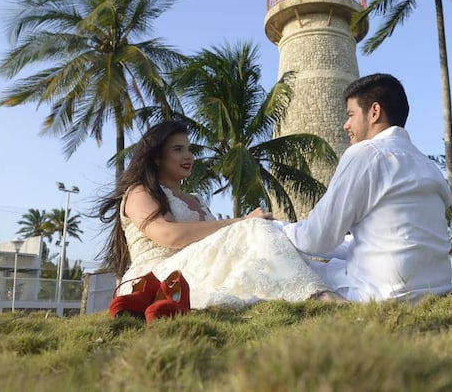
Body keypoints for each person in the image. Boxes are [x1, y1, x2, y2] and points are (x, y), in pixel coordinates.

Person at [97, 120, 336, 310]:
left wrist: (244, 225)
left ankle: (322, 284)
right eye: (178, 150)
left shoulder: (197, 200)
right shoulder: (140, 192)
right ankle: (317, 295)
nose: (188, 156)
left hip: (201, 263)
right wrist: (241, 222)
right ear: (157, 157)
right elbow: (169, 235)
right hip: (158, 275)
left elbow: (218, 239)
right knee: (252, 227)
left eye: (189, 149)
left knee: (266, 229)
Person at [282, 73, 452, 303]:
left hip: (379, 294)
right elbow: (387, 239)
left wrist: (279, 231)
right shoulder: (430, 167)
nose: (346, 125)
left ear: (374, 112)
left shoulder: (366, 153)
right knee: (337, 256)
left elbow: (317, 238)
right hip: (435, 290)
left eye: (351, 115)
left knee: (283, 260)